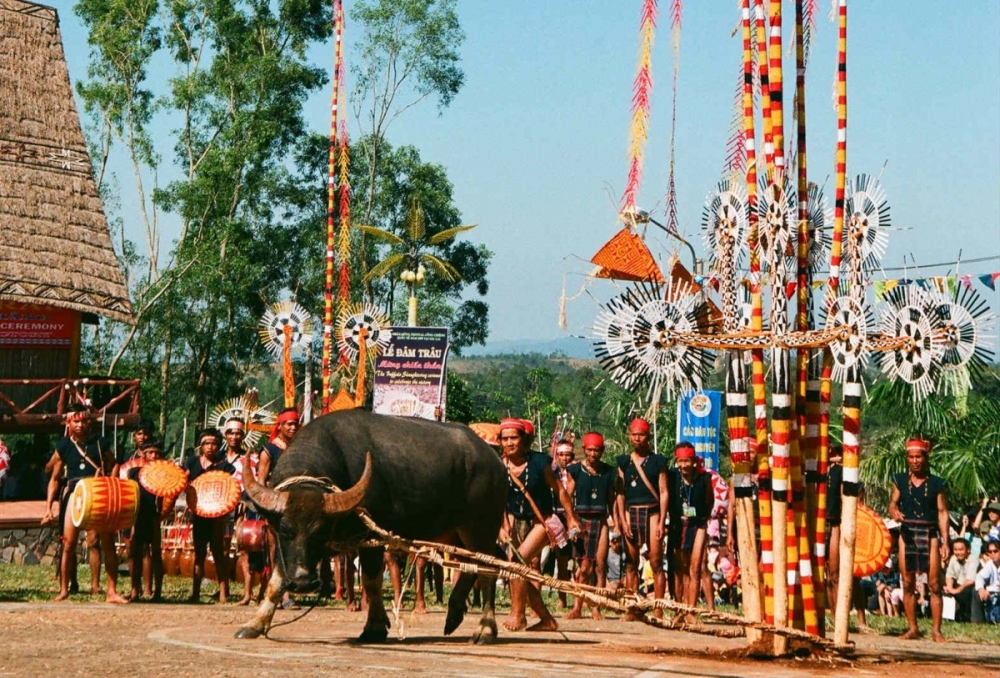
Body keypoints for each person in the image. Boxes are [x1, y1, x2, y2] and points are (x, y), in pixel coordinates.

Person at [498, 417, 580, 632]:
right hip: (517, 523)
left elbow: (560, 491)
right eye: (505, 439)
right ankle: (547, 619)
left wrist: (571, 518)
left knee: (516, 563)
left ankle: (518, 615)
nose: (509, 443)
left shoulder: (539, 463)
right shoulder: (500, 465)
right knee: (517, 571)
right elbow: (499, 500)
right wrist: (503, 526)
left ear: (523, 439)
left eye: (513, 438)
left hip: (542, 522)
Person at [42, 406, 127, 603]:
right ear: (69, 423)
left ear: (89, 422)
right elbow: (54, 479)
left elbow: (114, 464)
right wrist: (48, 508)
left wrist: (110, 484)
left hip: (97, 493)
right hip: (74, 493)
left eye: (83, 421)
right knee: (68, 543)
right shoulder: (63, 445)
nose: (80, 425)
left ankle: (111, 591)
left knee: (106, 543)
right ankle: (64, 589)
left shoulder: (100, 442)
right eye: (76, 421)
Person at [888, 436, 950, 641]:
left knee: (934, 584)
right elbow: (892, 504)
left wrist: (946, 541)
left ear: (925, 457)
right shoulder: (899, 481)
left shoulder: (936, 483)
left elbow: (942, 512)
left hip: (930, 534)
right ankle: (913, 628)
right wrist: (894, 511)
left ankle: (936, 630)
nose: (915, 461)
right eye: (911, 457)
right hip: (907, 535)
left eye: (918, 457)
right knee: (907, 582)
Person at [615, 417, 669, 619]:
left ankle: (658, 608)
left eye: (641, 434)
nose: (637, 438)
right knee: (631, 562)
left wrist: (662, 521)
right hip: (631, 512)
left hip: (653, 513)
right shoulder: (623, 462)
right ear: (629, 436)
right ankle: (632, 607)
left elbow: (664, 492)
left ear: (648, 436)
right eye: (634, 434)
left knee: (655, 563)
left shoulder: (658, 462)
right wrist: (622, 520)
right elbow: (620, 493)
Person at [565, 431, 617, 620]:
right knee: (584, 567)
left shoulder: (609, 472)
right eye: (589, 450)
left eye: (596, 450)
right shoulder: (575, 471)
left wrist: (617, 523)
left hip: (601, 520)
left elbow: (612, 501)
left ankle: (596, 607)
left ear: (602, 451)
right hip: (581, 520)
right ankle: (577, 606)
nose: (593, 454)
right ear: (584, 450)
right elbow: (567, 498)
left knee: (600, 566)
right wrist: (570, 521)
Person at [184, 428, 236, 604]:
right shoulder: (191, 463)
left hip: (217, 515)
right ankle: (195, 593)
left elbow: (229, 487)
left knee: (219, 553)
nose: (210, 447)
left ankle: (223, 593)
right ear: (201, 445)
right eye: (206, 443)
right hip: (198, 514)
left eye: (214, 443)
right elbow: (184, 482)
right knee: (199, 555)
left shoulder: (225, 466)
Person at [667, 441, 712, 621]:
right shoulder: (672, 477)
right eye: (680, 461)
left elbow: (710, 501)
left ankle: (691, 611)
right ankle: (679, 610)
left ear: (694, 461)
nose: (684, 465)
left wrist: (702, 518)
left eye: (687, 461)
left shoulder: (704, 479)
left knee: (694, 568)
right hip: (678, 524)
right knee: (678, 569)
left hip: (698, 524)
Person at [128, 439, 168, 601]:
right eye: (150, 452)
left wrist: (162, 511)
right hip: (138, 515)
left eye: (157, 453)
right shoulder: (134, 472)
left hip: (154, 515)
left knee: (156, 553)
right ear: (143, 454)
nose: (154, 455)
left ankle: (157, 591)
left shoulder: (165, 473)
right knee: (136, 552)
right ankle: (135, 590)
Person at [550, 438, 576, 610]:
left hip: (574, 518)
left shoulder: (578, 472)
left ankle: (580, 601)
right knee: (561, 561)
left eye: (568, 455)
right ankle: (562, 599)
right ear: (557, 456)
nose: (565, 458)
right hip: (556, 518)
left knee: (579, 564)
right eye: (561, 455)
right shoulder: (552, 473)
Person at [943, 538, 980, 623]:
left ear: (968, 550)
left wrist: (956, 590)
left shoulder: (974, 559)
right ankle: (948, 619)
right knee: (945, 591)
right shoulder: (953, 559)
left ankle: (966, 618)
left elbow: (970, 580)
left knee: (966, 592)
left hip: (970, 586)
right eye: (955, 550)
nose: (958, 552)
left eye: (961, 549)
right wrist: (949, 587)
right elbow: (950, 575)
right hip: (958, 585)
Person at [974, 541, 1000, 623]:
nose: (992, 554)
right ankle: (977, 621)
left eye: (995, 551)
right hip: (994, 592)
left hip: (996, 590)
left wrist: (988, 589)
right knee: (975, 592)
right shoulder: (990, 564)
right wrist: (981, 589)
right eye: (990, 552)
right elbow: (979, 576)